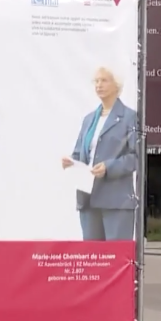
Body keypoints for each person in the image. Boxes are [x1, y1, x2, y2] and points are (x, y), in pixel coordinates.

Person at [62, 67, 137, 241]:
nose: (99, 85)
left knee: (115, 255)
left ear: (116, 85)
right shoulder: (89, 119)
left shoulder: (130, 117)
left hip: (116, 201)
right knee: (92, 254)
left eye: (104, 80)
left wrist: (108, 167)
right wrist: (71, 162)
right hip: (88, 199)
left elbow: (136, 157)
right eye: (96, 81)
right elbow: (79, 153)